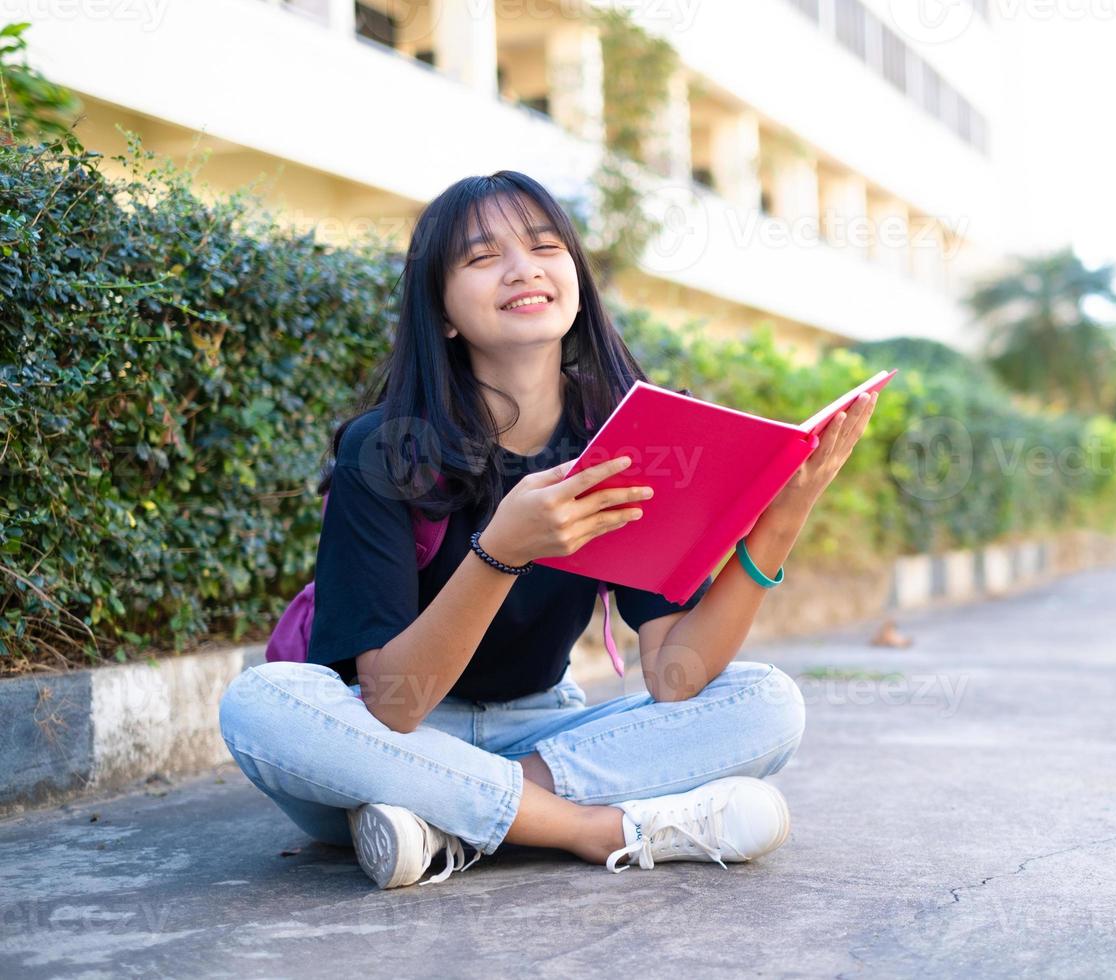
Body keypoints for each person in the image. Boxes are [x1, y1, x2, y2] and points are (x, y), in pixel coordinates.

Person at [217, 170, 880, 889]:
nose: (522, 268)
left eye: (544, 247)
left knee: (767, 703)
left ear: (574, 277)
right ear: (441, 312)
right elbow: (392, 704)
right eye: (481, 257)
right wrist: (502, 550)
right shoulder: (385, 449)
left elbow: (675, 676)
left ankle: (448, 821)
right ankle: (586, 827)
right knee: (263, 703)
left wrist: (779, 523)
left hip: (539, 733)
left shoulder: (629, 440)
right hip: (386, 742)